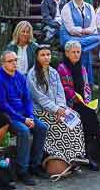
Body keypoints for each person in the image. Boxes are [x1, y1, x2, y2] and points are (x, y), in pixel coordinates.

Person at [28, 45, 89, 176]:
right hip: (41, 111)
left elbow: (61, 93)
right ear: (37, 57)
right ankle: (60, 156)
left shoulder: (54, 72)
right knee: (59, 126)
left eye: (48, 55)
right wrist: (56, 110)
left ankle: (75, 156)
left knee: (75, 118)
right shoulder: (32, 74)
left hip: (58, 109)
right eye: (43, 55)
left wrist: (61, 108)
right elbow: (39, 98)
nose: (46, 57)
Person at [58, 41, 100, 167]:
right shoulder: (62, 68)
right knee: (88, 116)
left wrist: (86, 99)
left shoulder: (83, 68)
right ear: (67, 53)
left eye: (78, 52)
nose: (76, 55)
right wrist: (75, 97)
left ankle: (94, 151)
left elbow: (86, 87)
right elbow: (64, 88)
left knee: (89, 113)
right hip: (69, 104)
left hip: (82, 103)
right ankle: (99, 148)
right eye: (73, 52)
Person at [0, 50, 48, 185]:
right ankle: (23, 170)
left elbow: (27, 99)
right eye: (10, 61)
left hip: (24, 115)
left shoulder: (21, 76)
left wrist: (29, 116)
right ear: (3, 63)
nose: (14, 63)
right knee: (24, 131)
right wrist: (23, 120)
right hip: (8, 116)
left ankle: (35, 165)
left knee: (42, 128)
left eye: (15, 60)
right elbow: (2, 105)